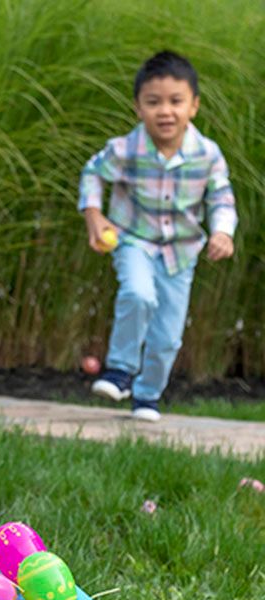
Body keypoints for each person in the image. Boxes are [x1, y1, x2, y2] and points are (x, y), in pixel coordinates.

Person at [79, 50, 237, 422]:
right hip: (133, 239)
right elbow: (92, 174)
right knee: (138, 293)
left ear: (194, 106)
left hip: (181, 253)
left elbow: (221, 198)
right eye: (153, 102)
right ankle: (119, 369)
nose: (165, 111)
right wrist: (95, 216)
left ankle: (147, 395)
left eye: (175, 101)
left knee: (168, 337)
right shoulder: (124, 150)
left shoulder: (208, 155)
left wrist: (223, 232)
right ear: (138, 107)